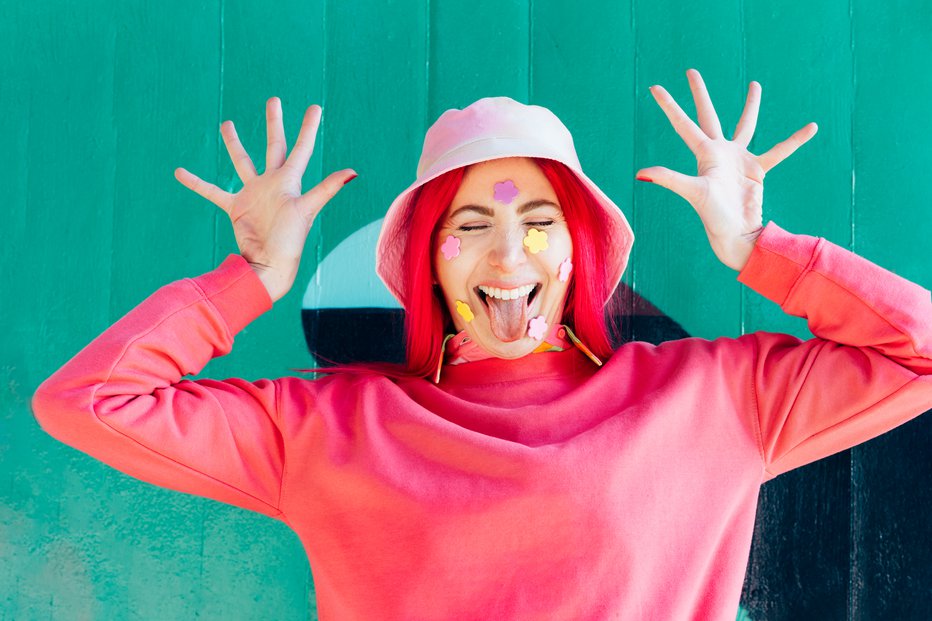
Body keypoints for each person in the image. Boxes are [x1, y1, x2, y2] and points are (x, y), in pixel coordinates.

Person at [32, 69, 932, 620]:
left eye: (541, 221)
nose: (509, 252)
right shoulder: (330, 428)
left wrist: (758, 250)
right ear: (428, 259)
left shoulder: (714, 400)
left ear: (581, 247)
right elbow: (89, 401)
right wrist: (251, 278)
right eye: (472, 224)